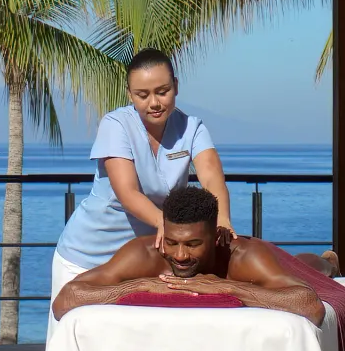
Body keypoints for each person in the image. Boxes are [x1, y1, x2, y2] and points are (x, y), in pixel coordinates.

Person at [48, 49, 232, 329]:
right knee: (69, 340)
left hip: (141, 264)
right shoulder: (115, 124)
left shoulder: (192, 128)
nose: (154, 103)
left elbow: (211, 176)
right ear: (130, 94)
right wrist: (167, 225)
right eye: (142, 95)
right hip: (86, 257)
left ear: (176, 87)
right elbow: (128, 192)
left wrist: (223, 221)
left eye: (162, 91)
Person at [52, 186, 323, 324]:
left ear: (216, 238)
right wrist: (140, 285)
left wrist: (227, 287)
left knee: (312, 267)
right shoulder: (144, 254)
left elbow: (310, 305)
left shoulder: (244, 257)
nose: (180, 255)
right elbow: (65, 300)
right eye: (171, 242)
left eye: (193, 244)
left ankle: (329, 259)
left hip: (281, 261)